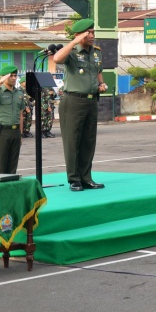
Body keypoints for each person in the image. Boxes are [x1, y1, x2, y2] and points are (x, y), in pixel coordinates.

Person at [53, 18, 108, 191]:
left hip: (91, 100)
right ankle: (74, 179)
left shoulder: (96, 52)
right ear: (78, 35)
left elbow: (98, 73)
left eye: (93, 32)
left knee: (88, 141)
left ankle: (86, 177)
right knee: (72, 141)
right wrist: (74, 42)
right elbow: (56, 59)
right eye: (88, 33)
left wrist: (102, 85)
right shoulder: (71, 51)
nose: (92, 36)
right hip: (73, 101)